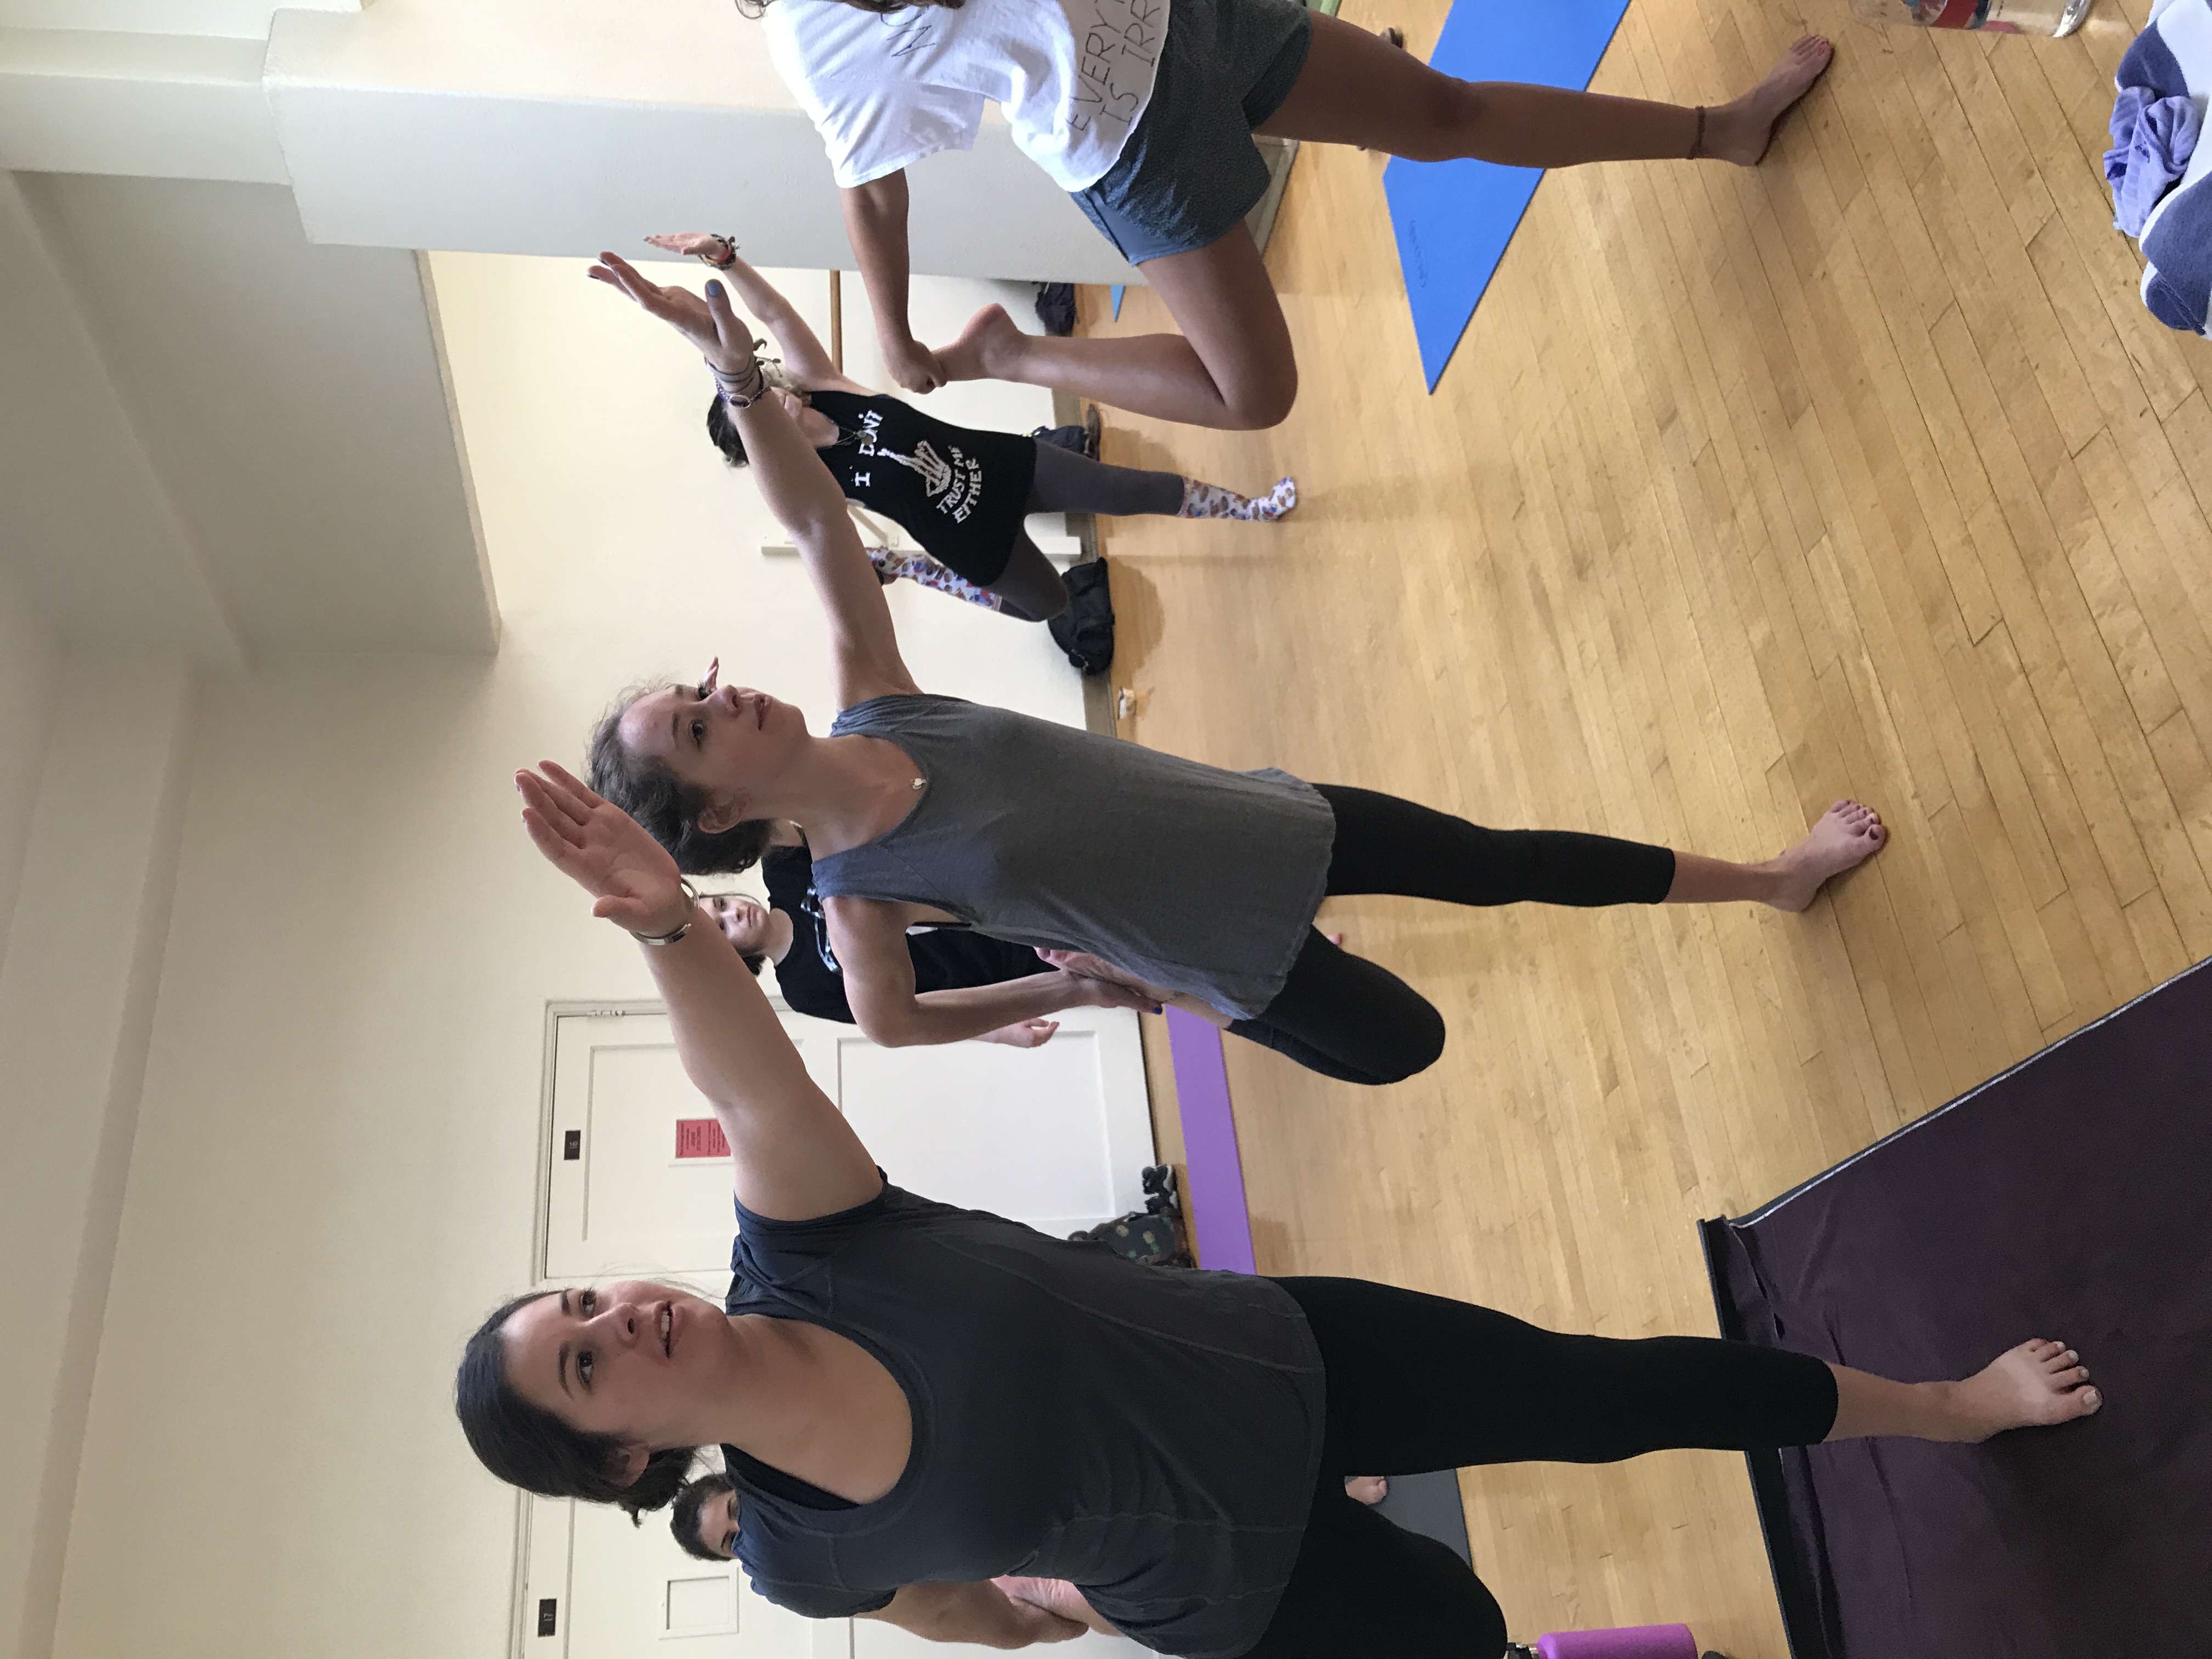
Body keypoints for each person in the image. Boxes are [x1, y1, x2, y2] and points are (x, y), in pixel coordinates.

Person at [456, 760, 2104, 1658]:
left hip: (1286, 1361)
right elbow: (960, 1620)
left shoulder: (806, 1248)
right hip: (1237, 1597)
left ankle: (1950, 1408)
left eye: (585, 1303)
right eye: (587, 1366)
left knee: (1617, 1393)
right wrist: (1048, 1608)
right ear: (624, 1458)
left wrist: (673, 929)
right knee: (1462, 1634)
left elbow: (756, 1086)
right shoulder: (799, 1558)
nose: (621, 1320)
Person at [576, 256, 1891, 1086]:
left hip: (1264, 822)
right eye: (697, 731)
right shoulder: (858, 898)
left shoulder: (879, 693)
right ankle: (1237, 976)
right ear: (721, 810)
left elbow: (820, 523)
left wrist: (731, 363)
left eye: (697, 691)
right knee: (1406, 1047)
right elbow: (897, 1024)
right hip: (1220, 956)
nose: (723, 699)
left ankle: (1771, 877)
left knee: (1505, 862)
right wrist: (1075, 985)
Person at [751, 0, 1836, 430]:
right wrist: (894, 335)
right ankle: (1019, 355)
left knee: (1443, 111)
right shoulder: (811, 33)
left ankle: (1720, 129)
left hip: (1192, 16)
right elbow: (871, 180)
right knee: (1255, 392)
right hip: (1126, 142)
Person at [597, 234, 1295, 624]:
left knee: (1127, 489)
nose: (772, 399)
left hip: (1005, 466)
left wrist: (724, 260)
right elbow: (806, 522)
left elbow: (776, 317)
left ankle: (1253, 507)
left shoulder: (825, 385)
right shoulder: (809, 484)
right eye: (752, 415)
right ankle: (916, 569)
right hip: (970, 541)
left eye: (762, 389)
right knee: (1048, 605)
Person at [708, 825, 1063, 1047]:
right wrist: (996, 1030)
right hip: (994, 967)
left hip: (984, 893)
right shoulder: (802, 990)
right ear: (730, 957)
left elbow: (765, 811)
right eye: (723, 928)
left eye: (722, 903)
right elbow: (906, 1017)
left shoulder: (781, 868)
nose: (734, 913)